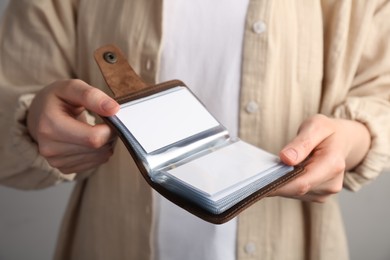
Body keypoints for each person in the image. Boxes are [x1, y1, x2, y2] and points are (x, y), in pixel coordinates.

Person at [0, 0, 389, 259]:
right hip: (109, 241)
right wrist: (34, 120)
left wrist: (353, 138)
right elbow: (10, 109)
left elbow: (381, 95)